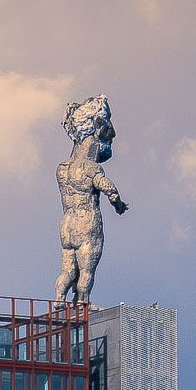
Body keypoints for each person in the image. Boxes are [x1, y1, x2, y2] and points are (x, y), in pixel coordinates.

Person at [55, 94, 127, 305]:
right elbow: (108, 188)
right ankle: (83, 300)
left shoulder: (63, 168)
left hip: (67, 222)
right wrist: (118, 204)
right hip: (87, 220)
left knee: (68, 268)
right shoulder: (91, 168)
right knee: (87, 267)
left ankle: (60, 298)